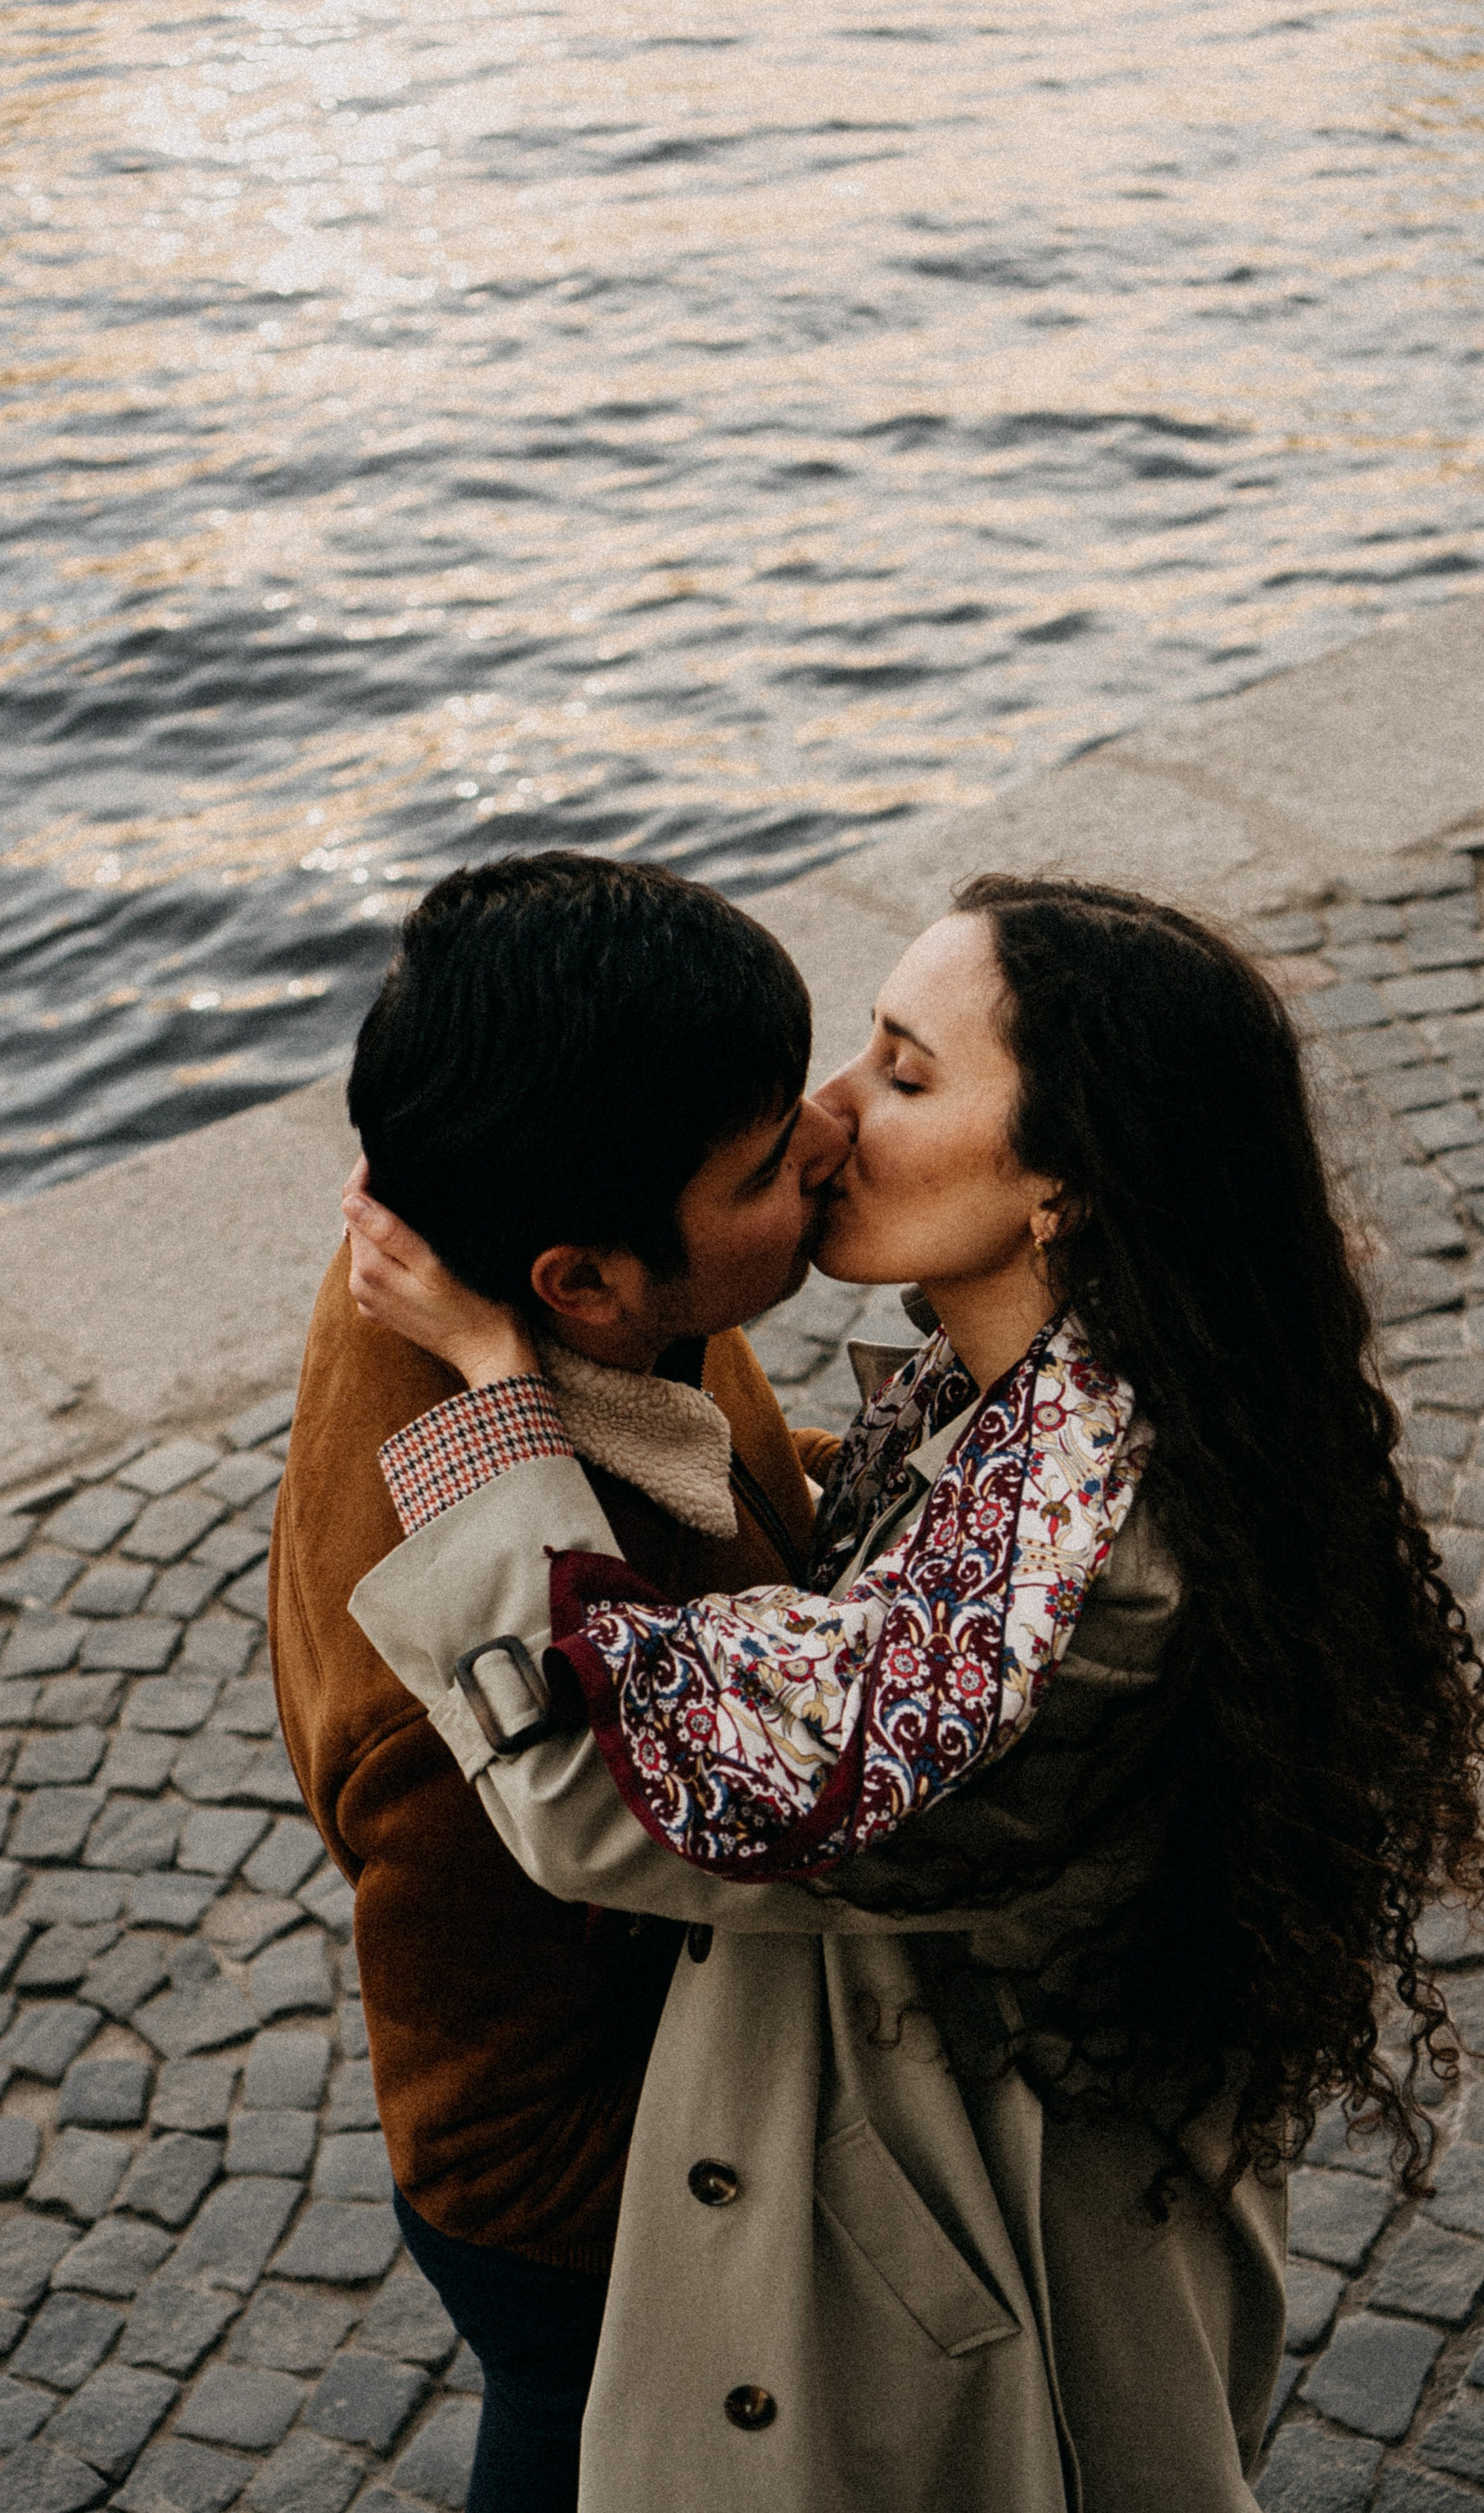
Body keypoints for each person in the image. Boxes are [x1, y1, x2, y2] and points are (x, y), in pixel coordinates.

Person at [345, 876, 1484, 2512]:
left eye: (904, 1076)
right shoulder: (1073, 1388)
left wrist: (495, 1395)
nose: (829, 1121)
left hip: (969, 2252)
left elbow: (605, 1806)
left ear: (1061, 1184)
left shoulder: (1081, 1574)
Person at [269, 851, 850, 2513]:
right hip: (574, 2197)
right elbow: (520, 2087)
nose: (824, 1143)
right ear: (580, 1287)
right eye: (762, 1168)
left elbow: (723, 1470)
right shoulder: (471, 1679)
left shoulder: (483, 1211)